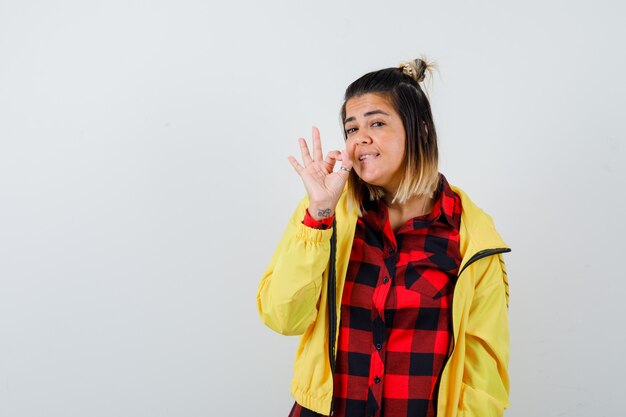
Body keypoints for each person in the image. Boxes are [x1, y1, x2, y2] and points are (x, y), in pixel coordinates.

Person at [257, 58, 511, 417]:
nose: (360, 138)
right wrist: (319, 215)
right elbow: (282, 317)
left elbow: (484, 376)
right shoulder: (327, 212)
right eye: (351, 129)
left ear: (420, 129)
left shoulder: (473, 237)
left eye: (377, 122)